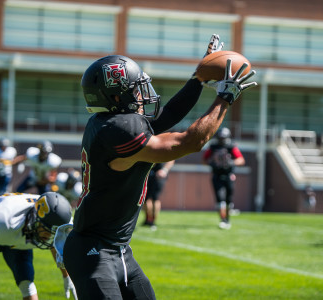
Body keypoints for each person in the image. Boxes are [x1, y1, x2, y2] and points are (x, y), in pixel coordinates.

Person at [61, 34, 257, 299]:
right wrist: (225, 98)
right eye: (135, 89)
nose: (143, 94)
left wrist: (199, 78)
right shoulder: (117, 130)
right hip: (92, 252)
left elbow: (168, 115)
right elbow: (189, 143)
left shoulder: (113, 122)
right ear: (118, 99)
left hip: (118, 249)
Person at [202, 127, 245, 229]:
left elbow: (241, 160)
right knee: (220, 199)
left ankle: (227, 219)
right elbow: (204, 160)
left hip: (229, 176)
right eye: (220, 138)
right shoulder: (213, 147)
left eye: (223, 138)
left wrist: (231, 163)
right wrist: (211, 163)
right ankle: (223, 220)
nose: (222, 140)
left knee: (228, 200)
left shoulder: (231, 147)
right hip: (216, 175)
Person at [143, 160, 175, 230]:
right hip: (148, 173)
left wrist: (164, 170)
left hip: (158, 174)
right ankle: (147, 219)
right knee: (145, 198)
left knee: (155, 198)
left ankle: (153, 221)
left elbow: (172, 159)